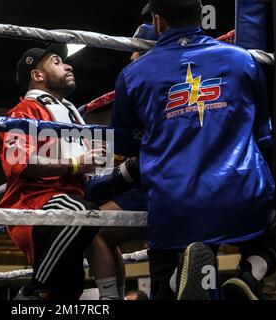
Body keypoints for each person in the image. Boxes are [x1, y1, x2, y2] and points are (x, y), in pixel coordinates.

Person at [110, 0, 276, 300]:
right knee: (275, 232)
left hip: (174, 204)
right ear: (200, 15)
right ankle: (249, 276)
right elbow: (262, 132)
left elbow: (125, 143)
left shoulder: (133, 74)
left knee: (164, 279)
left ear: (158, 21)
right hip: (241, 196)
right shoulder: (243, 60)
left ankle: (175, 281)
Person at [0, 44, 116, 299]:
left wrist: (101, 156)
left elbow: (91, 166)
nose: (68, 65)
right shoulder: (23, 112)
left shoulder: (71, 117)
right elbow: (19, 163)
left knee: (67, 291)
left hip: (71, 201)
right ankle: (33, 288)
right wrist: (76, 164)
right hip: (34, 204)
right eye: (57, 61)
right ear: (37, 75)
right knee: (84, 214)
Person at [84, 22, 158, 299]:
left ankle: (110, 299)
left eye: (136, 50)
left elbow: (126, 140)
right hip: (189, 179)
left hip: (157, 182)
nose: (130, 57)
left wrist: (118, 174)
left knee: (93, 227)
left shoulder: (135, 80)